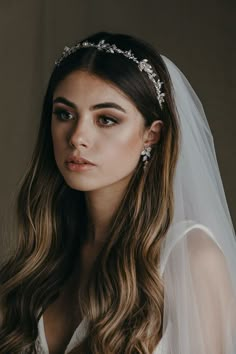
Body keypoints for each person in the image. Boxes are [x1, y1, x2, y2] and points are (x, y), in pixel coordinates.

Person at [0, 31, 235, 354]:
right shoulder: (40, 259)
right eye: (64, 114)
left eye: (106, 119)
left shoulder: (189, 258)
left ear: (151, 135)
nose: (78, 137)